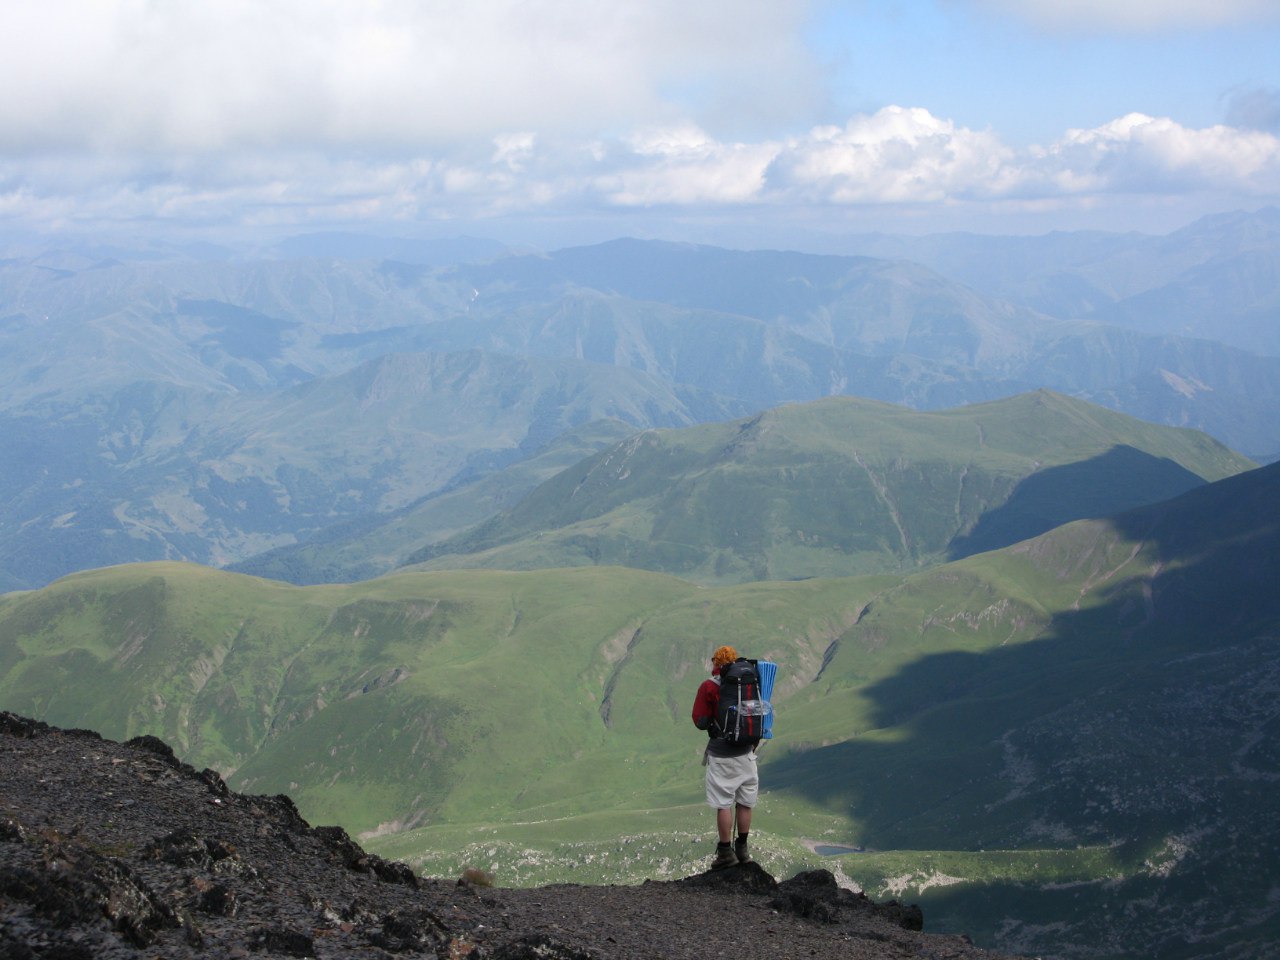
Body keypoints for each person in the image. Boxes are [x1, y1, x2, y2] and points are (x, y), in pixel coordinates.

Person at [691, 644, 760, 869]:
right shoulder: (751, 683)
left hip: (721, 753)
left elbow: (700, 721)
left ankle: (725, 853)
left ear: (716, 664)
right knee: (745, 802)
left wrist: (713, 721)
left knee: (723, 803)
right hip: (747, 752)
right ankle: (743, 848)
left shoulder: (708, 687)